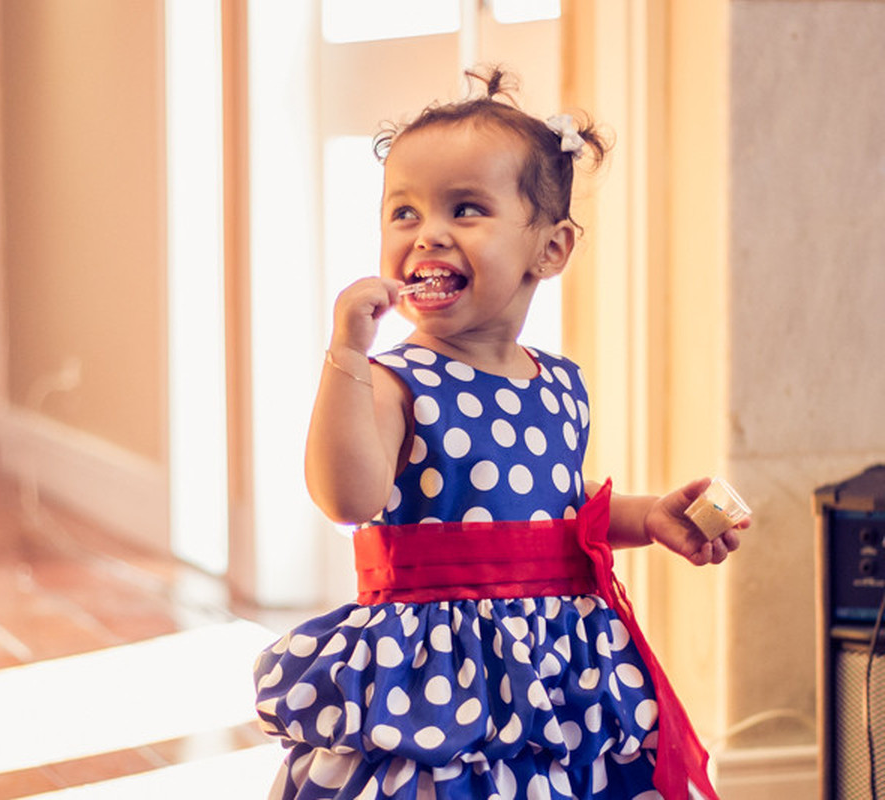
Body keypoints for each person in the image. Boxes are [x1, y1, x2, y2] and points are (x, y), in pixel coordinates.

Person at [253, 67, 748, 800]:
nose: (430, 235)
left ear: (549, 250)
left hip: (556, 673)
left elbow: (554, 511)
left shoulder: (559, 383)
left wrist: (647, 517)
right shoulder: (395, 381)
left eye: (466, 209)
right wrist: (346, 355)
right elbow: (347, 497)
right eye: (405, 214)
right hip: (435, 680)